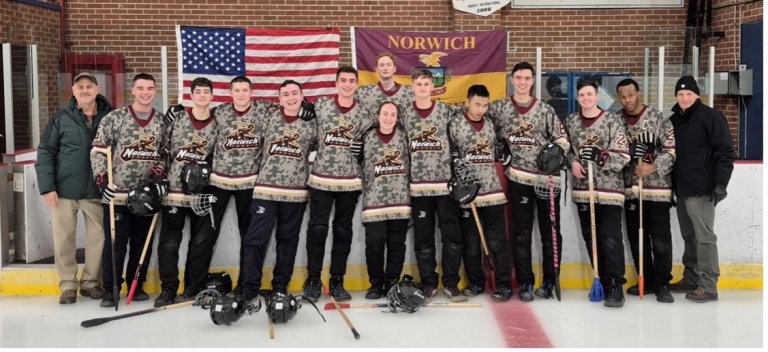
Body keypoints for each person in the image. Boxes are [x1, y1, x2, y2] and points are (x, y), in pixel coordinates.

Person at [488, 62, 570, 302]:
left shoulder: (545, 110)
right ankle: (525, 281)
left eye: (527, 78)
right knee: (521, 233)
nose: (523, 82)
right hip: (519, 178)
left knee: (550, 233)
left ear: (533, 81)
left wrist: (554, 153)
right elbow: (483, 130)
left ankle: (549, 281)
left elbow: (563, 139)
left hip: (547, 180)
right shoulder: (500, 108)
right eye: (519, 78)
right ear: (512, 80)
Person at [192, 76, 279, 296]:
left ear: (251, 92)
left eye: (244, 90)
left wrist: (307, 108)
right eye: (237, 90)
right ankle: (195, 285)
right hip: (219, 181)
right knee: (205, 234)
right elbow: (198, 118)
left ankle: (246, 285)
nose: (241, 94)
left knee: (249, 236)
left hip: (249, 182)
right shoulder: (220, 112)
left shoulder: (264, 110)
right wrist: (177, 111)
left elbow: (289, 107)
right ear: (231, 93)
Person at [90, 73, 168, 307]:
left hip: (145, 196)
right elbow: (98, 151)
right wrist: (102, 180)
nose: (146, 92)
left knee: (141, 243)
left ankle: (138, 284)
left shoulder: (161, 122)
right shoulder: (115, 118)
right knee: (116, 244)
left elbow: (165, 152)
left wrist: (159, 173)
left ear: (155, 91)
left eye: (150, 88)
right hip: (118, 196)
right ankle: (111, 288)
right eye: (141, 88)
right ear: (133, 91)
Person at [35, 72, 113, 304]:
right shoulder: (61, 118)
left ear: (97, 90)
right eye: (81, 87)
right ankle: (68, 285)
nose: (85, 90)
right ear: (73, 90)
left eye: (90, 86)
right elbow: (46, 152)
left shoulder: (111, 117)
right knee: (63, 239)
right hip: (64, 190)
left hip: (97, 190)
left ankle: (90, 283)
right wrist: (48, 187)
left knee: (97, 239)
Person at [240, 80, 317, 302]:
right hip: (265, 190)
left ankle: (280, 287)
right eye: (286, 94)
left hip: (295, 193)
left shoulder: (312, 123)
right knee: (255, 240)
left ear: (302, 96)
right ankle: (249, 289)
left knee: (287, 242)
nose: (291, 98)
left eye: (295, 93)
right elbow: (243, 106)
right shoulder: (268, 116)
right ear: (279, 98)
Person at [301, 66, 370, 302]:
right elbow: (302, 120)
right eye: (343, 80)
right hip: (321, 178)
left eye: (352, 81)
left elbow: (373, 145)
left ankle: (337, 280)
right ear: (336, 83)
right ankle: (312, 279)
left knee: (343, 230)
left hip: (349, 181)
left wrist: (362, 151)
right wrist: (304, 107)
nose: (348, 84)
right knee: (317, 230)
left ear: (357, 84)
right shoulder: (321, 105)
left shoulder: (365, 114)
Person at [668, 76, 735, 303]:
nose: (684, 98)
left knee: (704, 238)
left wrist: (721, 183)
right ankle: (691, 277)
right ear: (676, 96)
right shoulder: (674, 120)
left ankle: (708, 285)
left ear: (697, 95)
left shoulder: (712, 117)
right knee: (689, 236)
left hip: (703, 189)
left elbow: (725, 152)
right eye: (680, 94)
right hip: (682, 189)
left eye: (689, 94)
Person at [565, 78, 630, 308]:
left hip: (610, 190)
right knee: (591, 238)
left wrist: (602, 157)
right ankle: (601, 280)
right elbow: (568, 150)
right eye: (582, 95)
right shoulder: (571, 121)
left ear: (597, 96)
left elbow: (623, 155)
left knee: (610, 238)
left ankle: (615, 284)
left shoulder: (611, 120)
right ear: (577, 97)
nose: (586, 98)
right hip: (584, 190)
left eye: (590, 94)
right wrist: (573, 162)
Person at [153, 77, 218, 307]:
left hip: (200, 195)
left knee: (201, 242)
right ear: (191, 95)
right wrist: (159, 175)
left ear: (212, 95)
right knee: (170, 242)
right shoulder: (177, 118)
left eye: (206, 92)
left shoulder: (218, 121)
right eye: (198, 91)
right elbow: (161, 149)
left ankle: (193, 286)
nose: (202, 95)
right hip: (174, 193)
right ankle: (168, 289)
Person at [399, 69, 462, 301]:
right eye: (419, 83)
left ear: (432, 87)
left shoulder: (446, 111)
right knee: (424, 239)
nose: (423, 87)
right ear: (412, 86)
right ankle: (428, 282)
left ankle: (451, 282)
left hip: (445, 186)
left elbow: (459, 138)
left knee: (452, 236)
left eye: (427, 83)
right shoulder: (404, 113)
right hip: (418, 187)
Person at [450, 85, 513, 302]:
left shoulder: (491, 123)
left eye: (485, 105)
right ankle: (476, 282)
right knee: (471, 241)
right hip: (469, 193)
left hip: (492, 191)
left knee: (498, 240)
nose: (481, 109)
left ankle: (504, 284)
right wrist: (456, 163)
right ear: (467, 102)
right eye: (477, 104)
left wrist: (504, 153)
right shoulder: (456, 123)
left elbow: (498, 149)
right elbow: (450, 152)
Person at [616, 78, 676, 303]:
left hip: (657, 190)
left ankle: (662, 284)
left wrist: (652, 166)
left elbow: (671, 150)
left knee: (660, 238)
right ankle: (647, 279)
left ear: (638, 93)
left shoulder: (658, 118)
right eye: (622, 96)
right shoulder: (616, 120)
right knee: (635, 237)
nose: (627, 100)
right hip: (631, 189)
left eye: (630, 95)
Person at [352, 101, 411, 299]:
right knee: (375, 244)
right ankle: (376, 284)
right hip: (374, 201)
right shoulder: (366, 137)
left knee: (396, 244)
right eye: (385, 113)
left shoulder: (404, 137)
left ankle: (392, 281)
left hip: (400, 200)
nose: (388, 118)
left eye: (393, 114)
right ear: (377, 116)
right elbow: (357, 162)